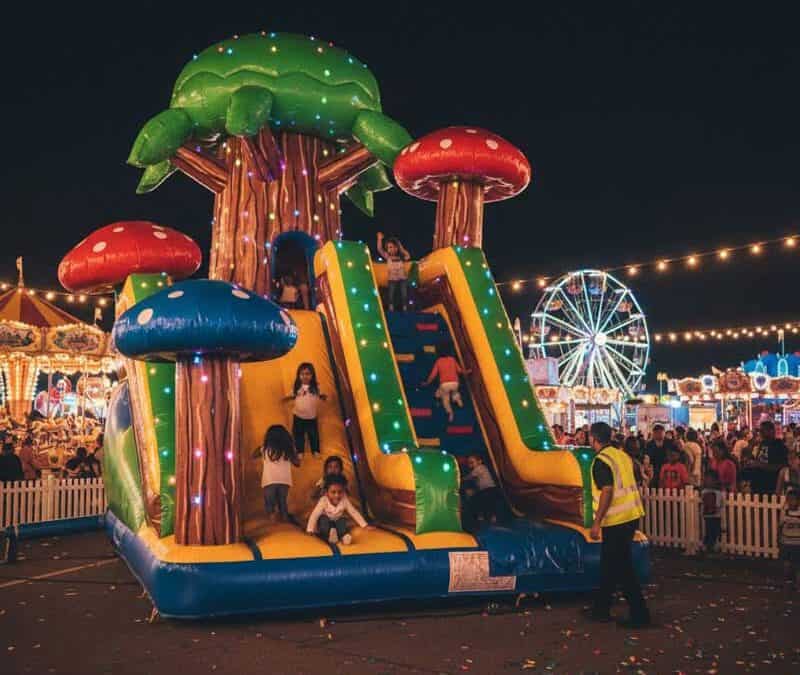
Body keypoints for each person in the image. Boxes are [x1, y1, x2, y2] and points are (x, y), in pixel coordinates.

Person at [587, 422, 650, 627]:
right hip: (631, 515)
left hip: (615, 520)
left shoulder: (601, 461)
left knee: (623, 568)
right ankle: (601, 608)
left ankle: (640, 614)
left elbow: (607, 490)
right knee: (609, 563)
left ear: (594, 438)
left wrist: (596, 522)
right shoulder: (621, 456)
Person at [252, 425, 300, 522]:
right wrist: (292, 450)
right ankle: (285, 517)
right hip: (284, 481)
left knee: (270, 502)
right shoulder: (287, 450)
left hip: (269, 481)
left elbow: (253, 455)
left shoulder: (265, 449)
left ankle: (272, 518)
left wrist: (262, 446)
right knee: (282, 502)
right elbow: (297, 463)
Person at [306, 474, 369, 545]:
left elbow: (353, 512)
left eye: (340, 492)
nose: (337, 495)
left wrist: (364, 525)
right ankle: (328, 537)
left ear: (344, 491)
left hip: (336, 522)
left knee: (342, 522)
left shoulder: (344, 500)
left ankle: (344, 537)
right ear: (326, 493)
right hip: (325, 523)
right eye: (333, 492)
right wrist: (310, 529)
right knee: (323, 520)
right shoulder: (323, 501)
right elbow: (315, 515)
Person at [420, 344, 470, 423]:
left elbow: (433, 375)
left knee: (445, 400)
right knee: (454, 392)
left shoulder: (439, 361)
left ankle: (450, 413)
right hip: (455, 383)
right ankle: (458, 401)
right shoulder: (452, 359)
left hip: (445, 385)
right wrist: (467, 371)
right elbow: (460, 371)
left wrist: (426, 383)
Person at [460, 454, 510, 531]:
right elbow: (478, 484)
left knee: (479, 501)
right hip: (489, 490)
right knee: (486, 503)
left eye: (472, 462)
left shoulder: (480, 468)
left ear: (480, 462)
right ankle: (489, 517)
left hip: (489, 490)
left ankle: (484, 517)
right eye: (469, 463)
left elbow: (469, 477)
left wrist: (460, 479)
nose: (470, 465)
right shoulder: (479, 470)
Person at [288, 362, 327, 457]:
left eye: (308, 374)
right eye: (302, 374)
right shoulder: (296, 387)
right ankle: (299, 451)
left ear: (312, 375)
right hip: (298, 416)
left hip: (311, 417)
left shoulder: (315, 387)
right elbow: (291, 395)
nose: (305, 376)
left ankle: (316, 450)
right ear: (298, 375)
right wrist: (288, 397)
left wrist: (323, 397)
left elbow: (321, 395)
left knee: (313, 435)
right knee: (298, 435)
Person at [747, 421, 789, 494]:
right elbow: (758, 459)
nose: (760, 433)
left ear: (771, 431)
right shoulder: (762, 444)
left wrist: (760, 465)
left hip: (770, 485)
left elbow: (782, 466)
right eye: (760, 431)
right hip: (757, 484)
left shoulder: (779, 446)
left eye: (763, 430)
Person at [376, 232, 411, 312]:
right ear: (387, 249)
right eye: (389, 247)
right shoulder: (387, 256)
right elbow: (379, 249)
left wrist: (401, 247)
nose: (392, 249)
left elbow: (408, 256)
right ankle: (391, 307)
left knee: (404, 294)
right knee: (391, 294)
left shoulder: (401, 257)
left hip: (402, 279)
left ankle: (405, 307)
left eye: (394, 247)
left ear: (397, 248)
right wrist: (379, 239)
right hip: (392, 279)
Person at [779, 489, 800, 589]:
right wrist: (778, 538)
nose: (791, 502)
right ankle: (786, 581)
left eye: (794, 500)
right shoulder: (784, 512)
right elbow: (780, 526)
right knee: (786, 562)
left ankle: (797, 582)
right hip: (786, 541)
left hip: (797, 543)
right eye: (789, 500)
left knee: (797, 563)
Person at [701, 469, 723, 553]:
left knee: (714, 532)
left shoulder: (718, 493)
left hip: (716, 516)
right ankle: (707, 546)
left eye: (711, 480)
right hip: (707, 516)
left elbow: (719, 504)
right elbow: (703, 502)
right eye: (707, 479)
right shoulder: (704, 491)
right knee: (708, 531)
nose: (708, 481)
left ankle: (712, 547)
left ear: (715, 481)